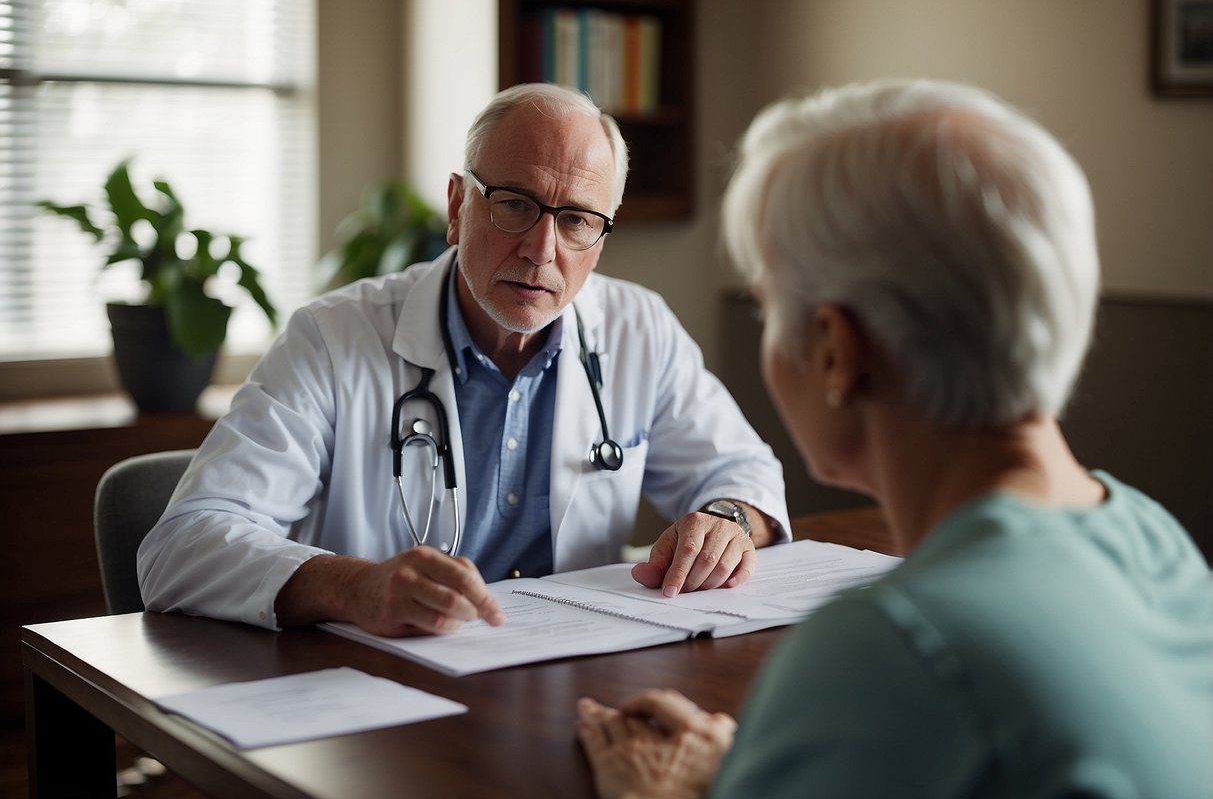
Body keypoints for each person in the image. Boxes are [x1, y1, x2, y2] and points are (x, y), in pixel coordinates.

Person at [575, 79, 1213, 798]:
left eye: (767, 306)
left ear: (834, 351)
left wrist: (652, 792)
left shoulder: (889, 647)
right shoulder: (1154, 540)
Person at [137, 83, 790, 637]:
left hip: (570, 667)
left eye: (576, 221)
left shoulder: (638, 327)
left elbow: (742, 470)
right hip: (382, 690)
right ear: (457, 207)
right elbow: (183, 546)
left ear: (601, 235)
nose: (540, 249)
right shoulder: (332, 338)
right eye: (515, 205)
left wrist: (726, 520)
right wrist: (355, 588)